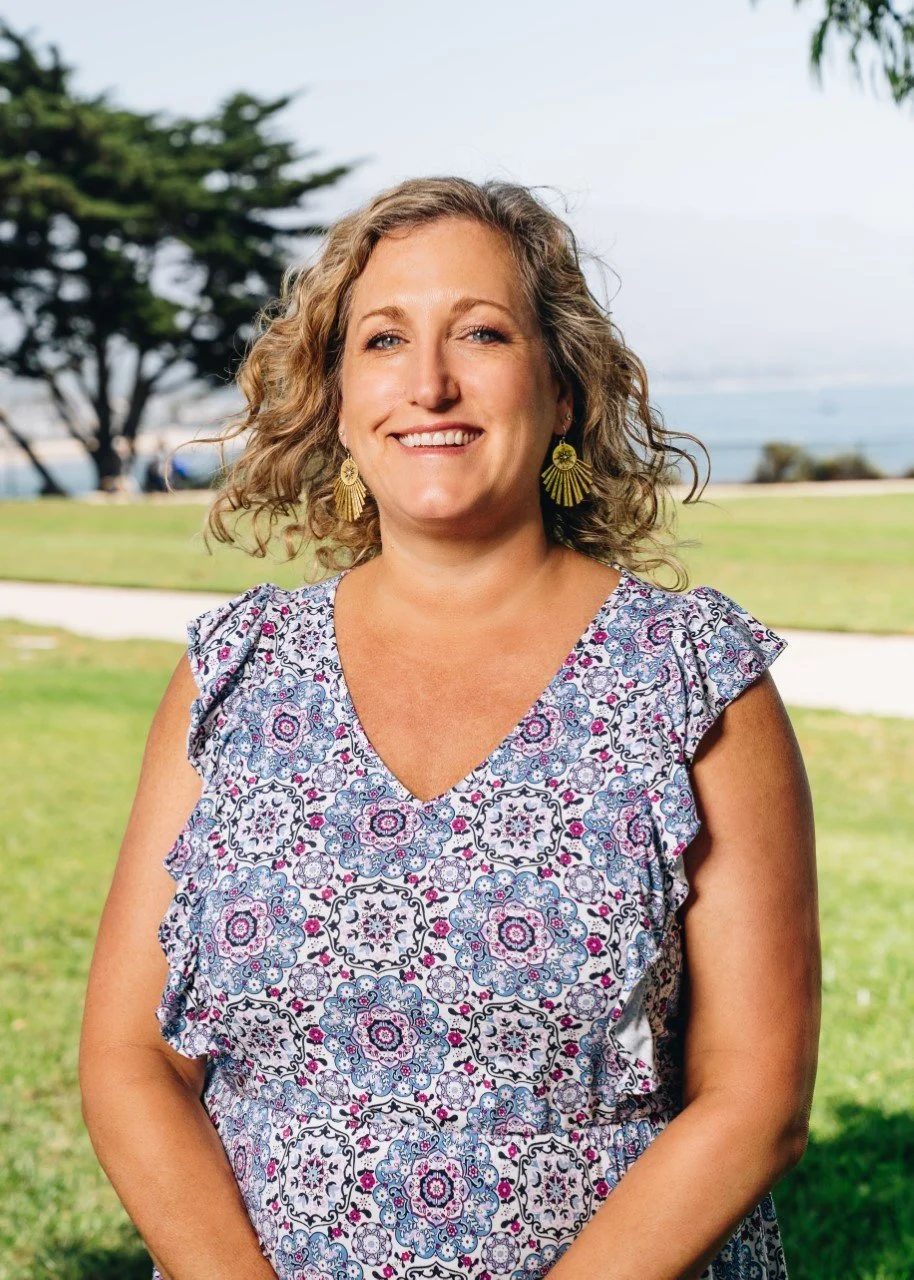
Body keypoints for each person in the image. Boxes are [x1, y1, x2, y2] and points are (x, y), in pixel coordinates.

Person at [79, 176, 820, 1280]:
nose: (428, 383)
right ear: (336, 399)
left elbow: (753, 1098)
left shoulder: (692, 681)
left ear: (562, 390)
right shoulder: (231, 675)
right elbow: (130, 1055)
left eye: (479, 332)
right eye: (382, 340)